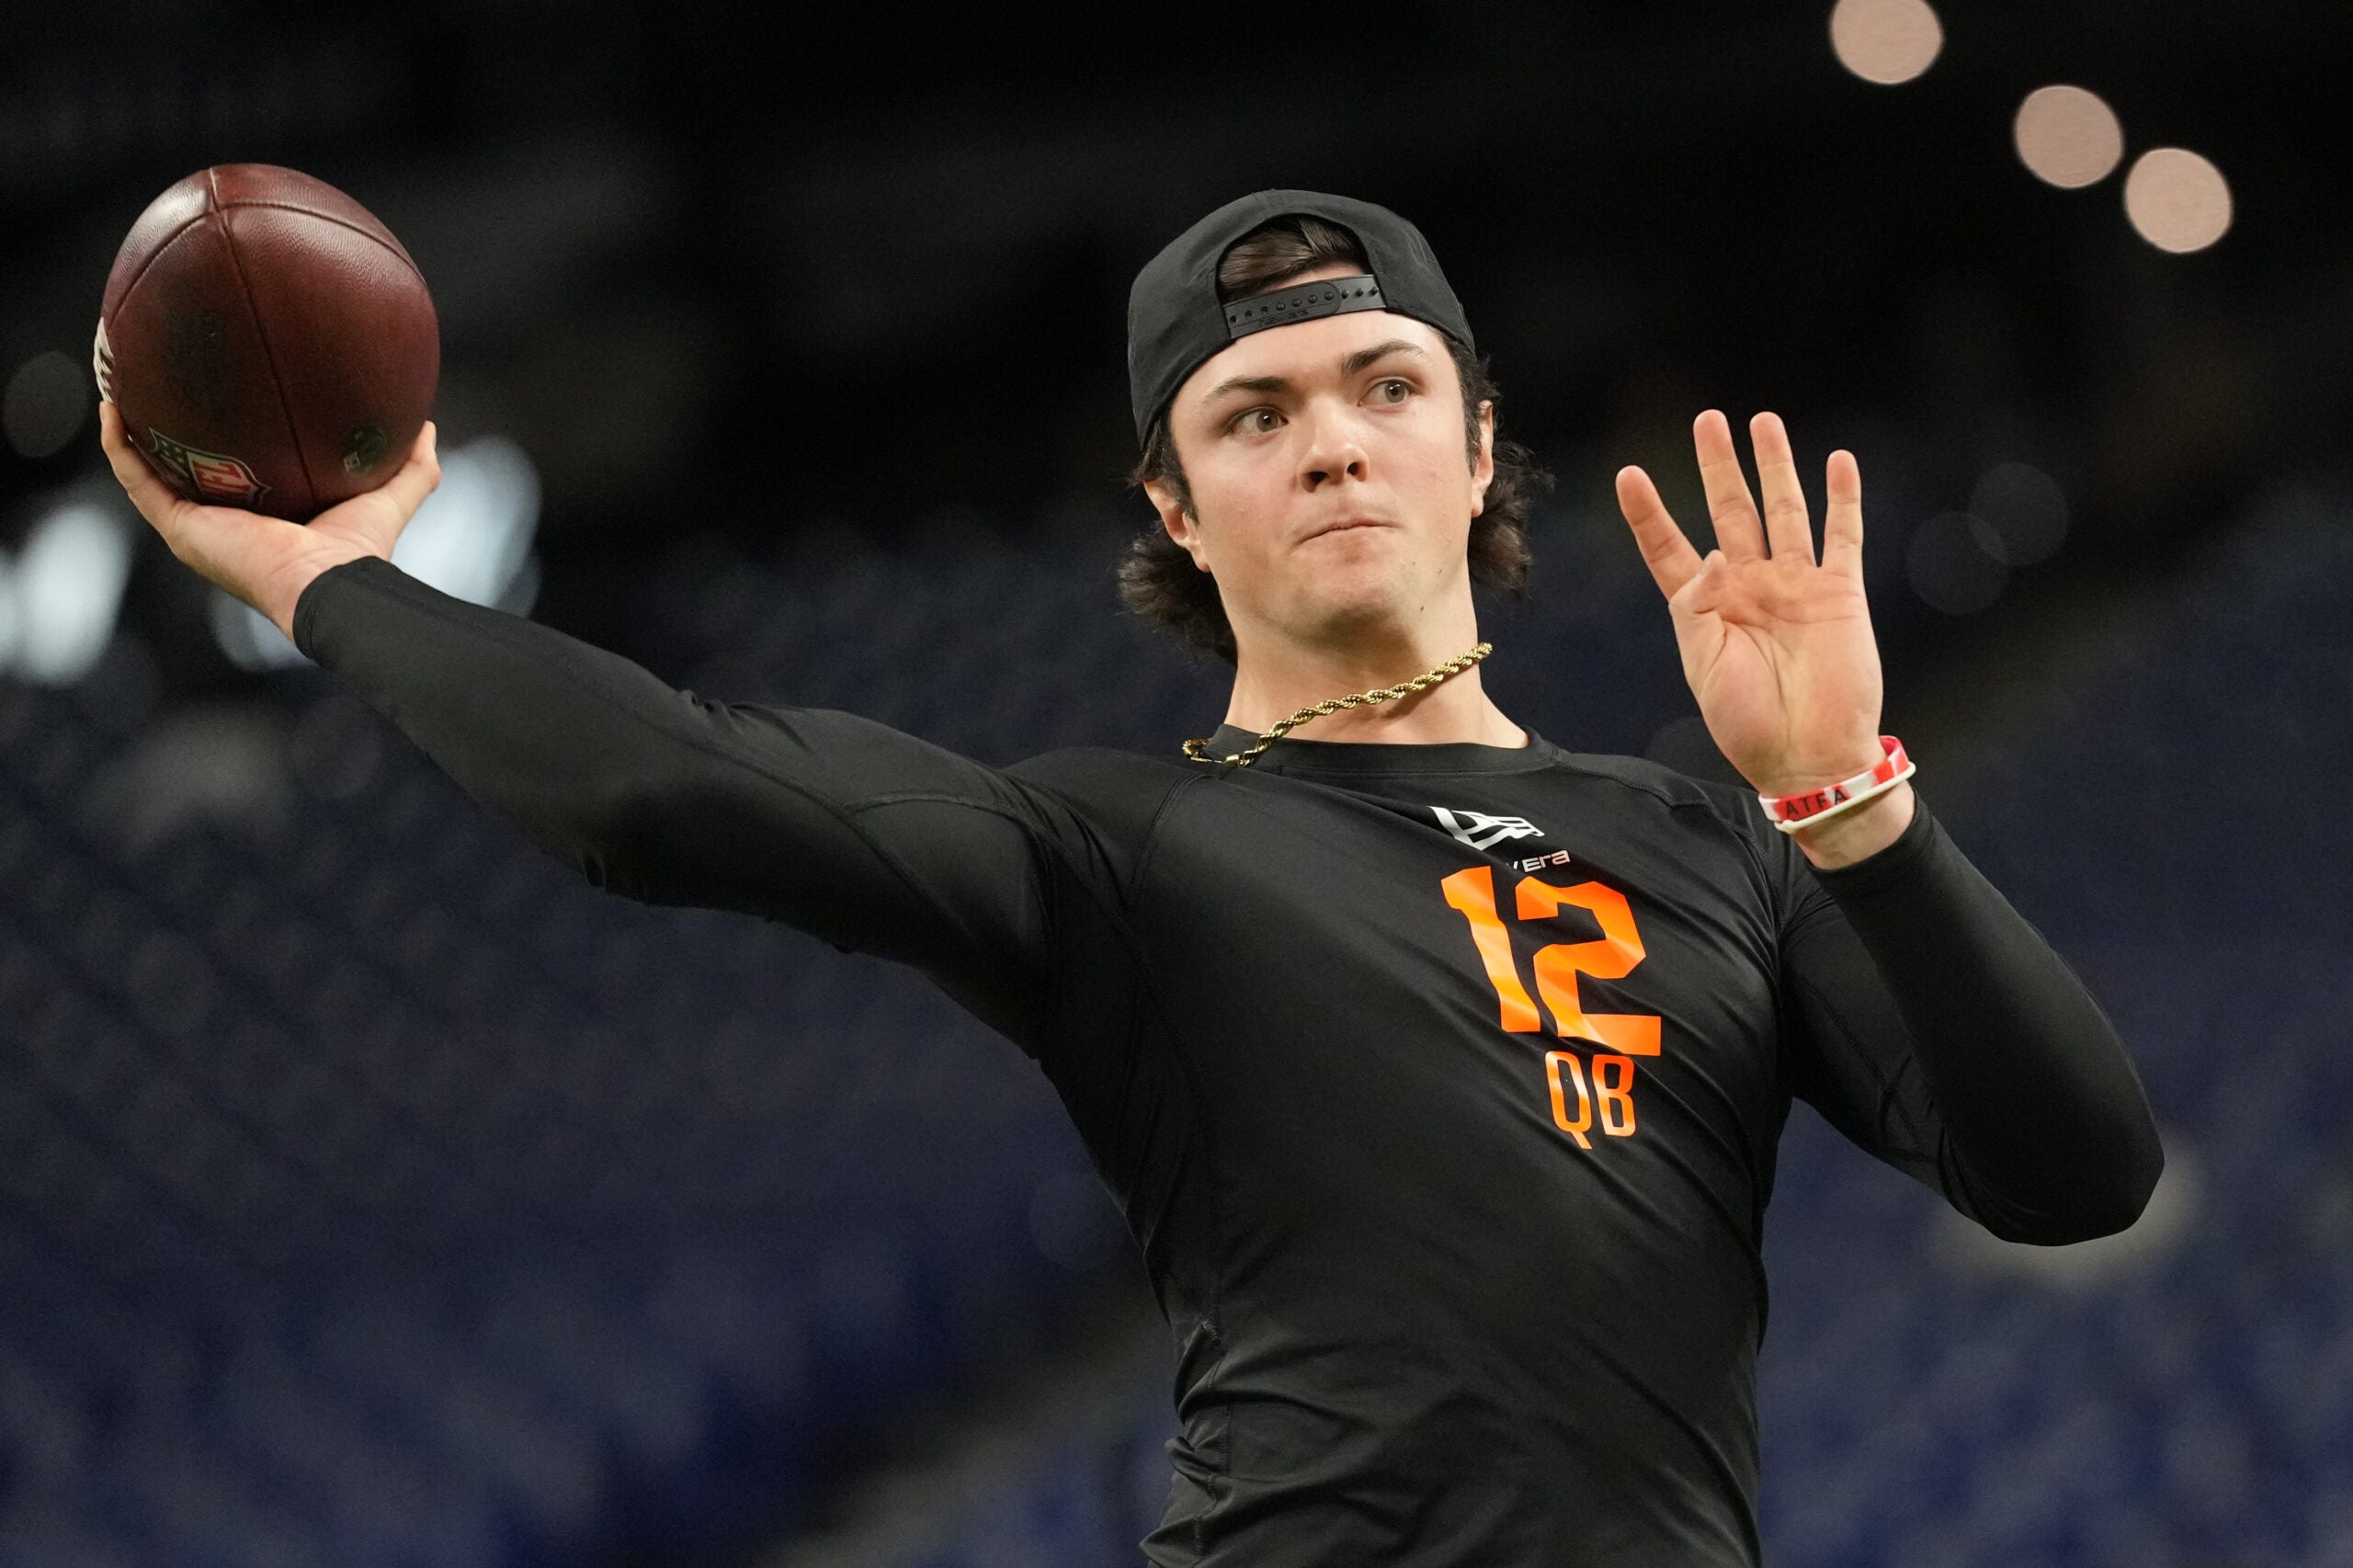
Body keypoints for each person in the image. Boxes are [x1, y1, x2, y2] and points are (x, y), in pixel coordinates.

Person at [100, 188, 2161, 1567]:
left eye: (1383, 387)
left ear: (1473, 447)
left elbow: (2072, 1172)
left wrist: (1854, 807)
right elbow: (660, 794)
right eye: (1252, 413)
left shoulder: (1722, 839)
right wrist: (329, 576)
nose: (1333, 442)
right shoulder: (1113, 842)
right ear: (1177, 507)